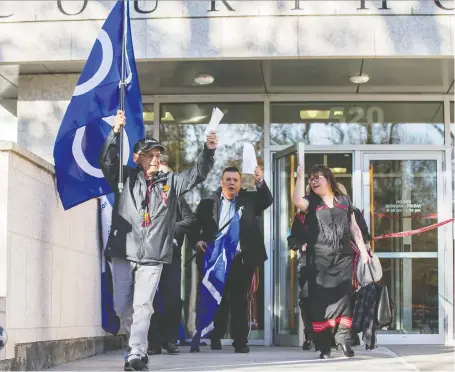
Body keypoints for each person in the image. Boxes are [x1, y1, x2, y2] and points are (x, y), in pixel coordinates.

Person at [99, 110, 218, 371]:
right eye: (149, 155)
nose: (155, 159)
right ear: (137, 158)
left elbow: (196, 174)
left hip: (153, 255)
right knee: (122, 307)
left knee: (143, 305)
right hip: (123, 250)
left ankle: (136, 354)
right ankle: (135, 347)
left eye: (158, 155)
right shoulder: (125, 179)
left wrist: (207, 151)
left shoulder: (171, 182)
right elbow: (107, 161)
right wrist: (115, 131)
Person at [292, 164, 370, 359]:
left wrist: (364, 252)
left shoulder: (344, 201)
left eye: (318, 177)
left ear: (329, 179)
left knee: (344, 301)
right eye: (312, 178)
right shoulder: (310, 202)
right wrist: (300, 177)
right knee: (319, 305)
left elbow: (354, 229)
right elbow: (296, 201)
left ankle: (344, 343)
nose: (314, 181)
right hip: (318, 262)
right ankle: (324, 346)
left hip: (343, 259)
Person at [195, 166, 273, 353]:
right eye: (228, 179)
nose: (231, 183)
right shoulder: (207, 202)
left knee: (239, 300)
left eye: (235, 180)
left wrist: (260, 182)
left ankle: (240, 341)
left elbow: (267, 200)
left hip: (241, 259)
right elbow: (194, 225)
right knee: (218, 299)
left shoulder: (249, 199)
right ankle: (216, 336)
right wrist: (197, 240)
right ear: (222, 182)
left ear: (240, 183)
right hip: (216, 260)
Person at [147, 159, 198, 355]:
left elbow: (190, 220)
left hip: (171, 256)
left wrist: (170, 229)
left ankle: (170, 340)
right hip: (149, 255)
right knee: (149, 300)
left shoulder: (176, 197)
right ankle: (153, 342)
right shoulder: (144, 196)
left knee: (172, 300)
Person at [287, 211, 314, 350]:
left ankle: (329, 335)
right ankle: (309, 335)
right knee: (306, 299)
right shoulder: (300, 217)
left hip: (329, 262)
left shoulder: (331, 211)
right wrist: (301, 244)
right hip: (306, 262)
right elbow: (291, 240)